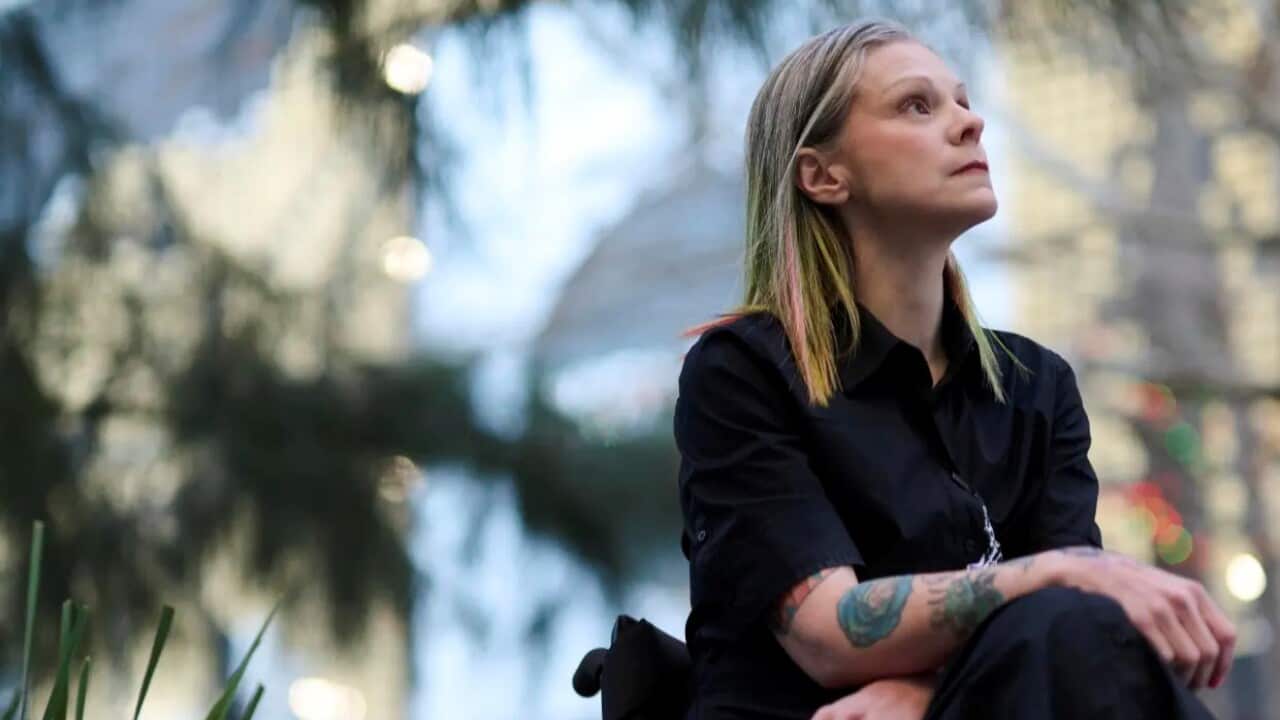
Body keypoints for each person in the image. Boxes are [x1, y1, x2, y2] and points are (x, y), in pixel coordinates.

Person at [673, 18, 1237, 720]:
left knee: (1082, 633)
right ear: (822, 175)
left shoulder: (1037, 386)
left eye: (963, 101)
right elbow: (828, 633)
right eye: (918, 105)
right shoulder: (740, 372)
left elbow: (1065, 639)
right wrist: (1057, 570)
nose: (969, 124)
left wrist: (924, 692)